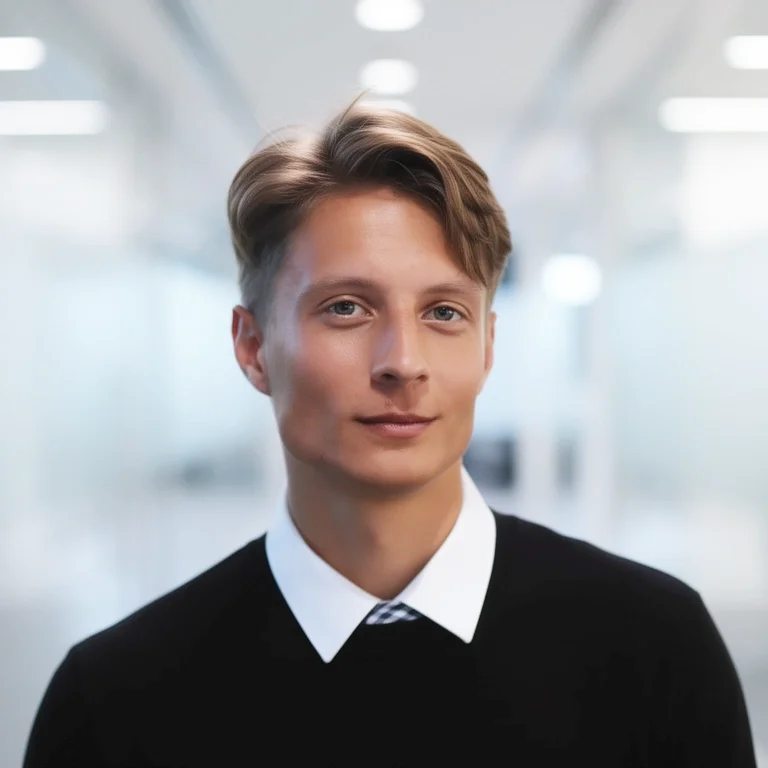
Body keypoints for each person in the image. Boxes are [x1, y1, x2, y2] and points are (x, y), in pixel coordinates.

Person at [23, 101, 757, 767]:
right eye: (346, 308)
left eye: (443, 313)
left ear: (487, 348)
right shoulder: (113, 702)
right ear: (252, 347)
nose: (403, 363)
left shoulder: (657, 649)